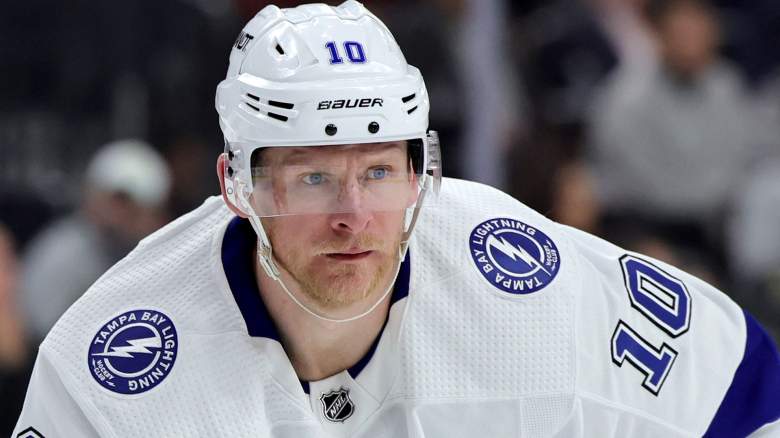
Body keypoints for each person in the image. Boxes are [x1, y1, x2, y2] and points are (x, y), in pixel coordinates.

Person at [14, 2, 780, 437]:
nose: (354, 218)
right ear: (235, 186)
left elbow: (749, 393)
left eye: (379, 173)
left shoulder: (523, 286)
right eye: (312, 178)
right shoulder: (114, 365)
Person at [18, 139, 171, 342]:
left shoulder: (126, 252)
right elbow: (39, 338)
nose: (120, 212)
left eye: (131, 206)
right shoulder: (65, 253)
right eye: (118, 200)